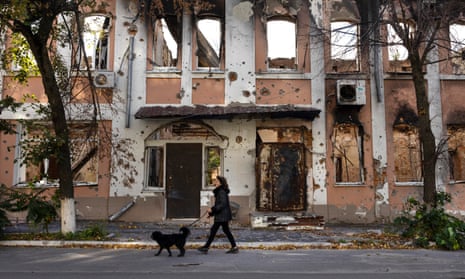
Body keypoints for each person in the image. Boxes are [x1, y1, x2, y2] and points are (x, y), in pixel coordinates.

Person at [198, 175, 239, 254]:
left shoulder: (221, 192)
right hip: (222, 215)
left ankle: (206, 247)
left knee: (214, 230)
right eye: (215, 181)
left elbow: (222, 204)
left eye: (216, 181)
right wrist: (211, 212)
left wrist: (212, 209)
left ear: (221, 183)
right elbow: (219, 205)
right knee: (226, 230)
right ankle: (234, 247)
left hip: (222, 216)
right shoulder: (220, 191)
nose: (215, 182)